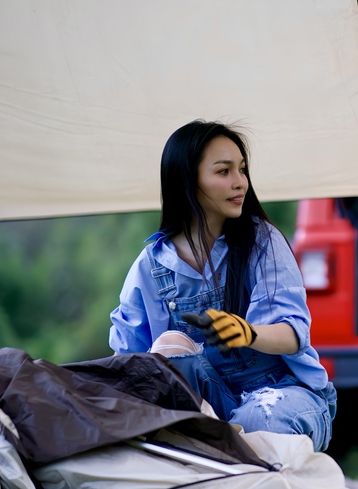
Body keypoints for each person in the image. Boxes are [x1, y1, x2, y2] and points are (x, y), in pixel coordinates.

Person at [109, 119, 336, 452]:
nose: (240, 182)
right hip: (207, 405)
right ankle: (212, 447)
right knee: (170, 350)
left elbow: (292, 334)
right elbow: (129, 365)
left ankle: (217, 450)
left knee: (260, 423)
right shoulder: (150, 267)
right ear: (187, 180)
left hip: (281, 394)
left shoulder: (264, 241)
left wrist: (248, 333)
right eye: (224, 171)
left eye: (242, 170)